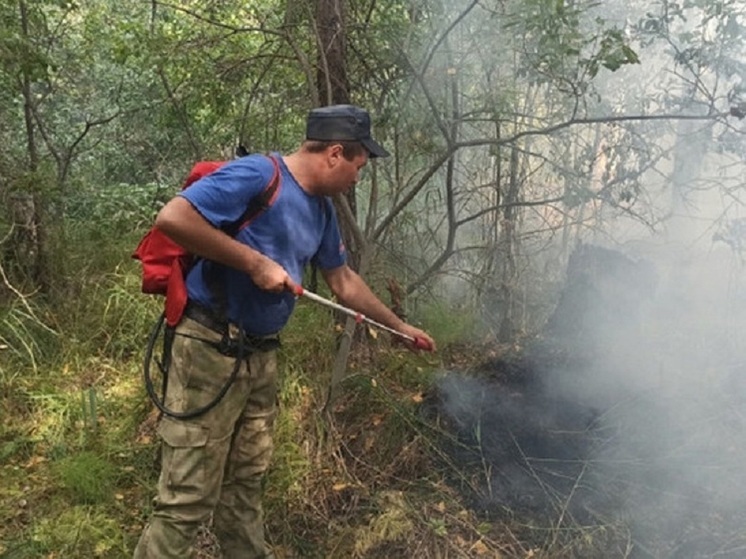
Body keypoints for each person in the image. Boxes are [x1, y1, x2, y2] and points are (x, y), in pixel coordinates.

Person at [133, 104, 436, 559]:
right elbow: (173, 218)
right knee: (187, 497)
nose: (358, 177)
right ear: (335, 153)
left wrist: (397, 326)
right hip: (209, 348)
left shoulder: (322, 212)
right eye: (358, 165)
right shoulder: (259, 175)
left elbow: (343, 281)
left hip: (259, 356)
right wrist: (254, 263)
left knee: (245, 485)